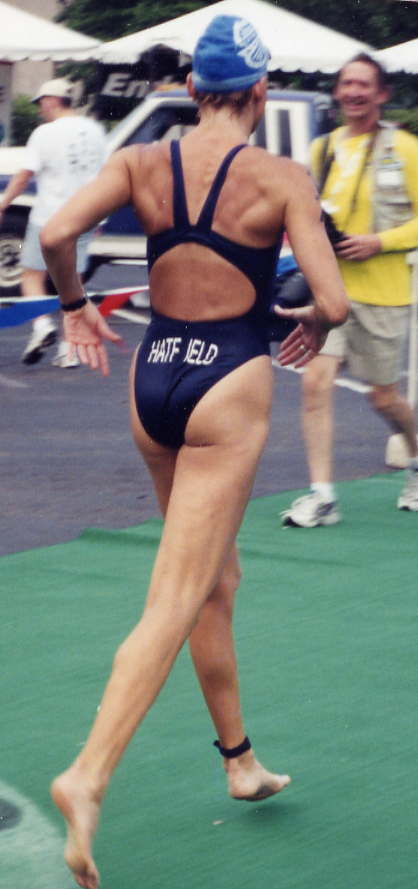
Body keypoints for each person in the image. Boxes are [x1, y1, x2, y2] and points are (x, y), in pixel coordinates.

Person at [41, 15, 348, 889]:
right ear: (259, 93)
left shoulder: (144, 161)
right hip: (226, 385)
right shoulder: (281, 176)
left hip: (155, 378)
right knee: (176, 595)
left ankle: (239, 761)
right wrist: (311, 324)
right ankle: (87, 773)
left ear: (190, 90)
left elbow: (57, 235)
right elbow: (331, 300)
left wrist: (75, 306)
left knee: (216, 577)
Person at [281, 53, 418, 528]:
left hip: (383, 293)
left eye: (364, 84)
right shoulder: (322, 149)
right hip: (330, 290)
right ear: (338, 92)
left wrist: (380, 242)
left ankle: (416, 463)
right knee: (315, 381)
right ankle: (322, 496)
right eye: (347, 83)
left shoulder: (406, 149)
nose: (354, 92)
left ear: (381, 94)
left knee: (384, 398)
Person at [0, 78, 106, 367]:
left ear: (51, 100)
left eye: (41, 103)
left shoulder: (44, 133)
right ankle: (69, 350)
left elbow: (24, 176)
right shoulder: (95, 131)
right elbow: (104, 175)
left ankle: (42, 326)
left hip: (50, 217)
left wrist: (4, 203)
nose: (39, 109)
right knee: (73, 285)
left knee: (32, 276)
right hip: (86, 214)